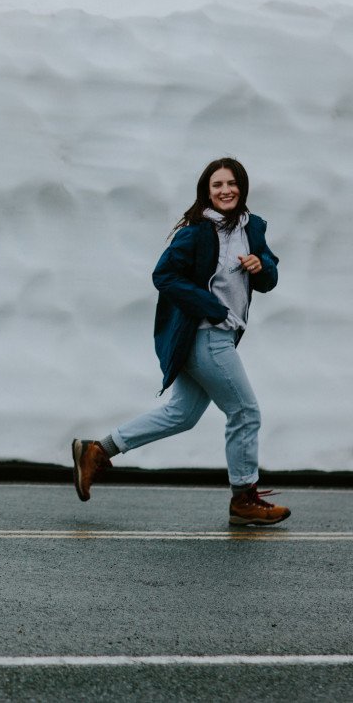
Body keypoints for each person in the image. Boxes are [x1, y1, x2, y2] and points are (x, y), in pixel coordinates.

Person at [72, 157, 290, 526]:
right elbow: (164, 275)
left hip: (220, 336)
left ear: (243, 187)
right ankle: (243, 497)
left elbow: (268, 277)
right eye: (217, 185)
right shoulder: (196, 232)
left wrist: (261, 266)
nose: (226, 190)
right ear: (207, 191)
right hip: (207, 335)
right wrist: (213, 309)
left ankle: (97, 450)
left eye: (232, 183)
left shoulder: (253, 228)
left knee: (182, 414)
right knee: (245, 412)